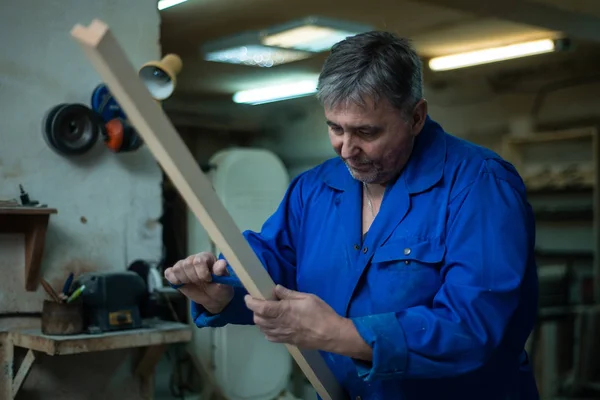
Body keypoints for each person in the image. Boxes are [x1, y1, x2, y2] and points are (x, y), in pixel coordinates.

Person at [165, 31, 540, 400]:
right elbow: (271, 264)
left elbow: (473, 326)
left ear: (416, 117)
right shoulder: (314, 189)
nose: (346, 150)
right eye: (335, 128)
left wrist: (342, 334)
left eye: (366, 132)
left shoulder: (478, 185)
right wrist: (220, 292)